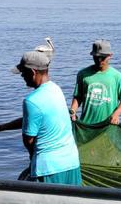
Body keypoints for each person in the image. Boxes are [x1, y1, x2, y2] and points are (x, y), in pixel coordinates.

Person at [12, 50, 81, 184]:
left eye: (23, 72)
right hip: (71, 162)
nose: (21, 76)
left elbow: (29, 141)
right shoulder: (56, 89)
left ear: (32, 72)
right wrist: (1, 127)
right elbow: (39, 119)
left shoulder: (31, 100)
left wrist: (33, 159)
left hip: (49, 168)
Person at [70, 39, 121, 125]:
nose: (99, 60)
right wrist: (73, 111)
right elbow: (78, 97)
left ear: (110, 55)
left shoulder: (118, 77)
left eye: (102, 57)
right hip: (86, 126)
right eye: (96, 57)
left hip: (108, 126)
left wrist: (116, 114)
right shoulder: (83, 74)